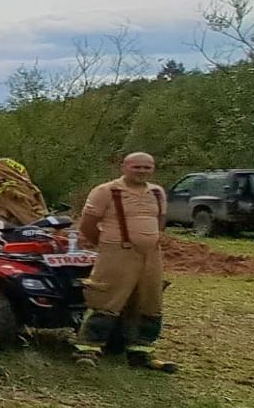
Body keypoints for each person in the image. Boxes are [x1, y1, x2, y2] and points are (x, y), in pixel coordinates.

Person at [74, 152, 178, 373]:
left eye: (147, 167)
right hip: (117, 253)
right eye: (136, 167)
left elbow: (160, 221)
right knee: (106, 298)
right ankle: (88, 350)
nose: (142, 171)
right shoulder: (106, 191)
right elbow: (87, 225)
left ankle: (142, 352)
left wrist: (151, 239)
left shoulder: (157, 192)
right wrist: (108, 245)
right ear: (124, 167)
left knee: (150, 301)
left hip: (151, 255)